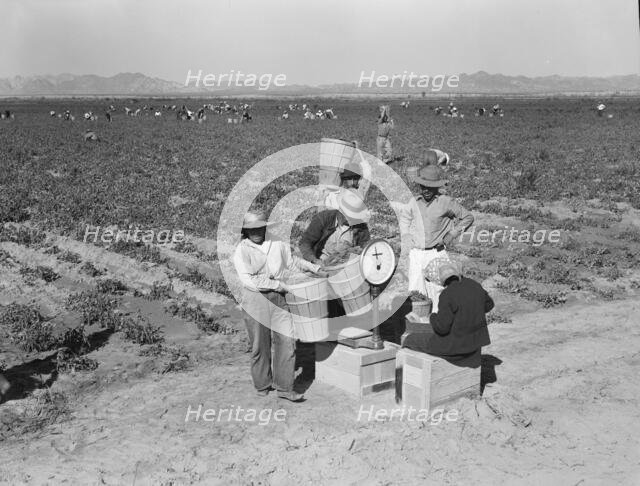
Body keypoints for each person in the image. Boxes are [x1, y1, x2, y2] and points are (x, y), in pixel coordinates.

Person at [233, 210, 327, 401]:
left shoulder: (276, 243)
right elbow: (249, 281)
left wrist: (314, 268)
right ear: (245, 231)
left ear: (265, 227)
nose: (256, 232)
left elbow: (291, 263)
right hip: (255, 299)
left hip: (279, 298)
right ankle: (262, 383)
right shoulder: (242, 250)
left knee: (286, 341)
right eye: (251, 229)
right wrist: (278, 284)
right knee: (260, 343)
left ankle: (285, 387)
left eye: (259, 228)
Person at [397, 164, 474, 312]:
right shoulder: (414, 202)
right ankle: (419, 328)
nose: (426, 190)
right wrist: (406, 236)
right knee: (415, 293)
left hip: (436, 253)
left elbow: (468, 217)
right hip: (416, 254)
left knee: (438, 293)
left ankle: (439, 327)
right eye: (423, 186)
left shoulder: (445, 202)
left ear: (437, 187)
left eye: (430, 187)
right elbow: (405, 219)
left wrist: (452, 234)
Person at [403, 260, 493, 364]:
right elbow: (489, 305)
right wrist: (471, 312)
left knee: (410, 339)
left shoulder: (447, 294)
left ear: (443, 282)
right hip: (475, 343)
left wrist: (432, 317)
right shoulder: (475, 285)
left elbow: (442, 328)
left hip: (456, 348)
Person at [300, 190, 371, 317]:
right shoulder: (323, 219)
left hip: (346, 269)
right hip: (322, 265)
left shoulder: (360, 227)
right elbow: (305, 243)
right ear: (340, 211)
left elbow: (366, 247)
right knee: (325, 298)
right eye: (349, 216)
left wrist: (359, 253)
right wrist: (315, 261)